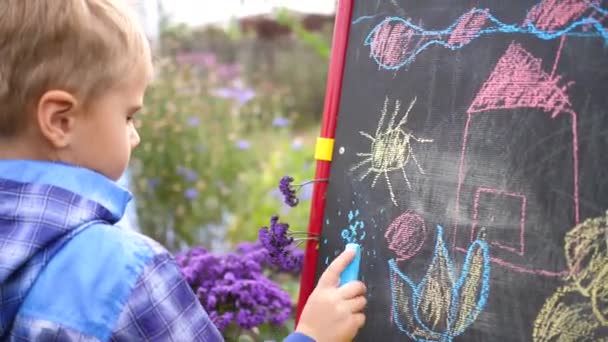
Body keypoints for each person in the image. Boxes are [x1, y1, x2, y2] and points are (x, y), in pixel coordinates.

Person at [0, 1, 367, 341]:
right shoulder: (123, 274)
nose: (135, 136)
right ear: (61, 121)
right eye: (128, 116)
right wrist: (313, 335)